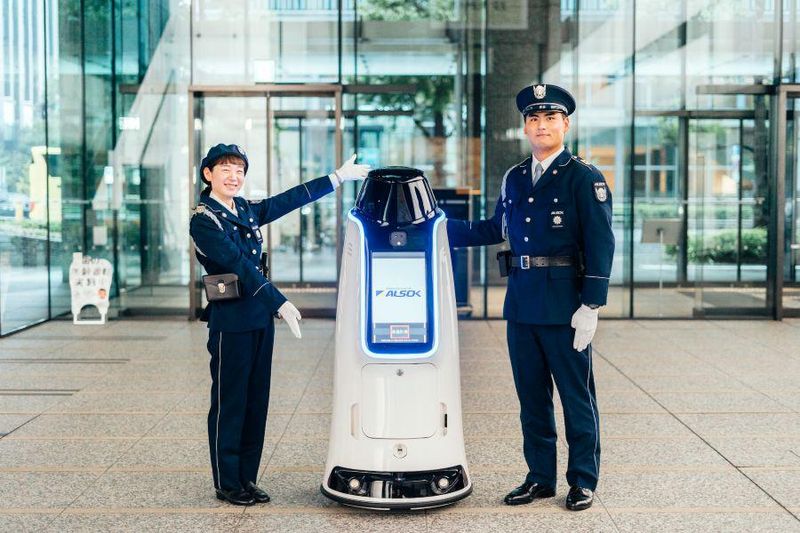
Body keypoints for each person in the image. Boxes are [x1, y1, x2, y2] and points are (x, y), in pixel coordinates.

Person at [447, 84, 614, 511]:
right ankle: (540, 478)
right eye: (534, 119)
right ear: (525, 126)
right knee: (532, 400)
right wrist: (433, 226)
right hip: (521, 304)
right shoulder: (516, 177)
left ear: (565, 125)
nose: (541, 125)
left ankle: (582, 480)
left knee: (576, 398)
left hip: (566, 306)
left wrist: (591, 305)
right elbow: (494, 229)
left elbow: (601, 243)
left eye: (550, 118)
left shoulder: (584, 177)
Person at [190, 144, 369, 505]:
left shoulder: (243, 208)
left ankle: (247, 478)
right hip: (231, 322)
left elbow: (287, 201)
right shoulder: (204, 220)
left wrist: (336, 178)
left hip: (258, 317)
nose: (234, 177)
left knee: (256, 401)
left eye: (239, 170)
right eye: (225, 170)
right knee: (230, 402)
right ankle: (227, 482)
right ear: (208, 174)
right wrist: (280, 302)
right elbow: (239, 265)